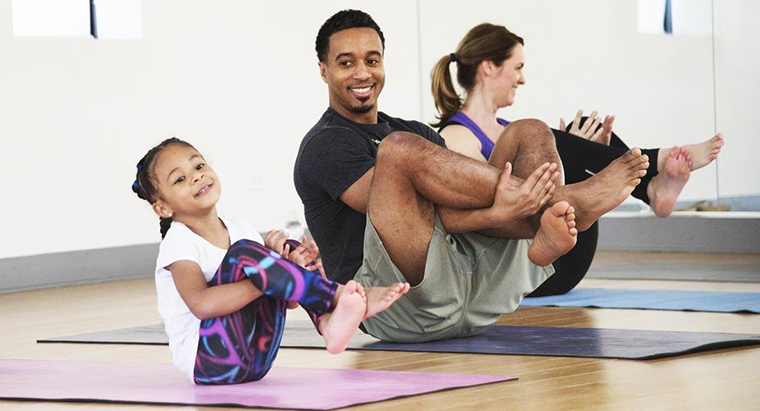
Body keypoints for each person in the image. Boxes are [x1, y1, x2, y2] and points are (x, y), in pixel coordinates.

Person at [294, 10, 648, 343]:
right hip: (400, 305)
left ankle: (544, 217)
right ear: (323, 70)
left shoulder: (415, 130)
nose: (362, 72)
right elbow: (423, 213)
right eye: (346, 63)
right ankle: (558, 205)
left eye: (372, 60)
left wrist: (504, 209)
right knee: (398, 150)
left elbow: (454, 203)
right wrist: (500, 211)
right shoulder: (324, 145)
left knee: (529, 131)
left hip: (475, 289)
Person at [431, 23, 724, 296]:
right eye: (517, 67)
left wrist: (577, 152)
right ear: (489, 67)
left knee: (576, 132)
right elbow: (477, 212)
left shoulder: (507, 130)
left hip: (563, 257)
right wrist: (562, 147)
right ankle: (654, 172)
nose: (522, 78)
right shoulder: (457, 136)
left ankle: (650, 187)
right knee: (546, 134)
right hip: (517, 272)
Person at [132, 137, 409, 384]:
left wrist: (289, 266)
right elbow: (201, 305)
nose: (196, 177)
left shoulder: (240, 227)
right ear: (163, 208)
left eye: (199, 166)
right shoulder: (179, 242)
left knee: (284, 247)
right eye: (179, 179)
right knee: (248, 253)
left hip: (258, 359)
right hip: (211, 364)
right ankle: (333, 295)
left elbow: (287, 301)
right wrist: (268, 279)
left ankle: (326, 323)